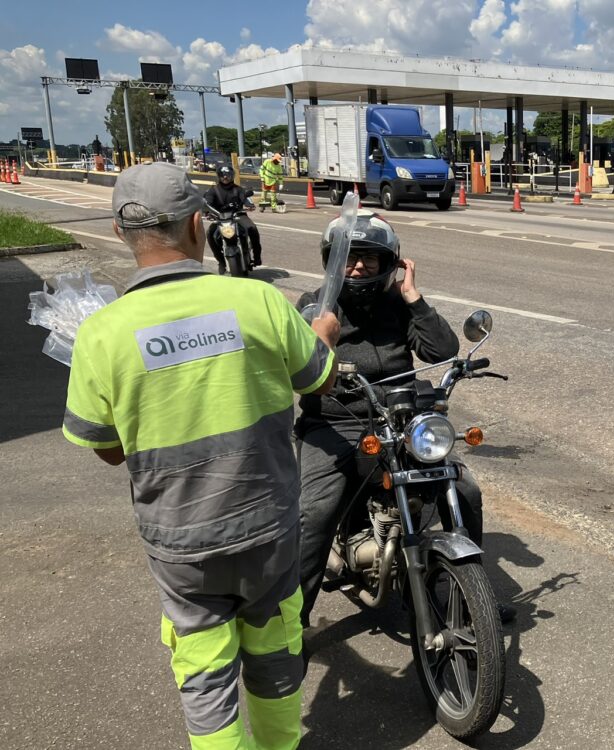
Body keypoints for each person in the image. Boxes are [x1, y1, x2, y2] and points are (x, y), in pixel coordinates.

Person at [60, 162, 340, 749]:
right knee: (274, 656)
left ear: (119, 232)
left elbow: (108, 451)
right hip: (267, 527)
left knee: (206, 676)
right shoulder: (257, 301)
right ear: (198, 225)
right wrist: (324, 339)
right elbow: (319, 384)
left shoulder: (100, 333)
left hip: (181, 541)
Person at [294, 210, 509, 629]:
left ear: (390, 264)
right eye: (348, 259)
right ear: (333, 263)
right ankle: (289, 625)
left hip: (399, 418)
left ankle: (466, 597)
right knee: (314, 511)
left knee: (463, 489)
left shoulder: (399, 304)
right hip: (335, 423)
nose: (358, 266)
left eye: (369, 259)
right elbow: (302, 364)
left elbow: (441, 350)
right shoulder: (315, 305)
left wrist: (413, 297)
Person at [203, 164, 263, 273]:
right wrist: (207, 211)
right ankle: (221, 261)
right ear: (219, 176)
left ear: (232, 176)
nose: (225, 177)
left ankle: (257, 257)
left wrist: (249, 205)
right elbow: (208, 202)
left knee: (252, 228)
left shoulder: (238, 189)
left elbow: (245, 198)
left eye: (228, 175)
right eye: (222, 175)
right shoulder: (213, 190)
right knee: (210, 234)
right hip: (220, 217)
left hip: (238, 216)